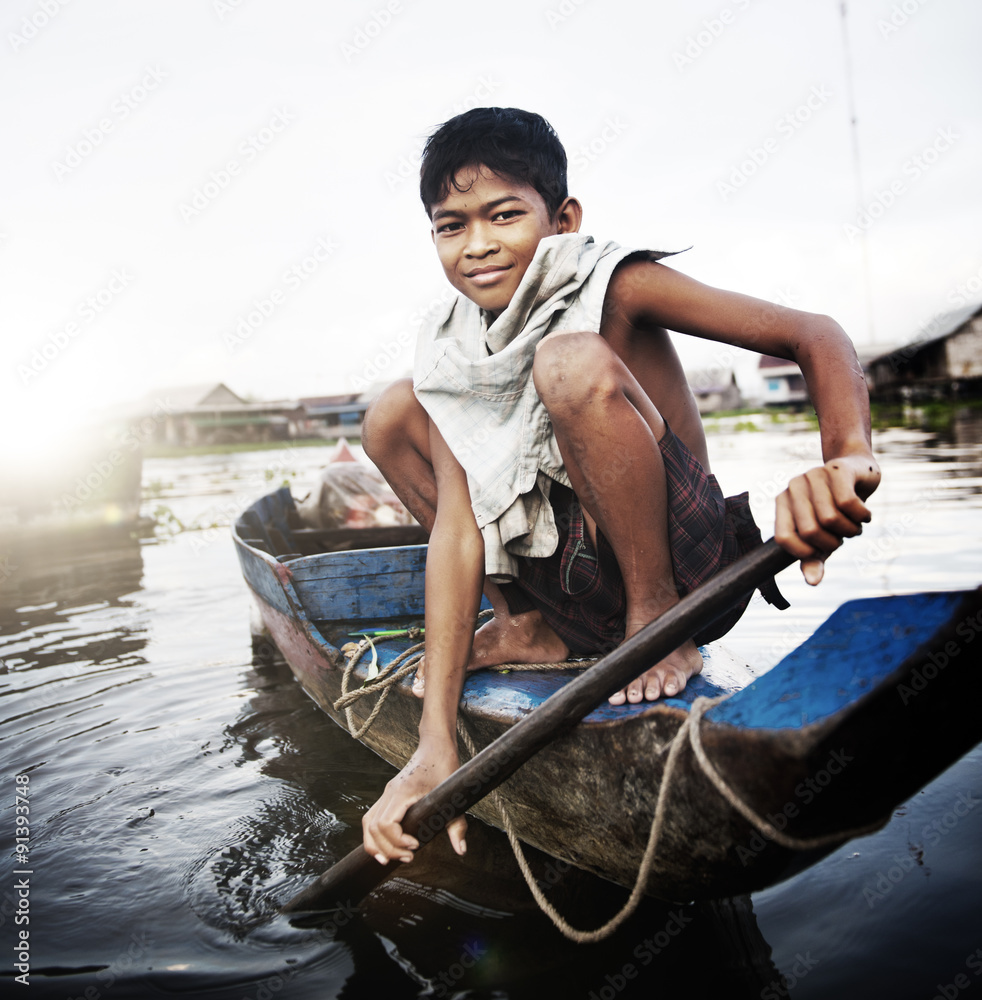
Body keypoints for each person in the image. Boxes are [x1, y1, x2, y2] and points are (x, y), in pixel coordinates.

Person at [360, 107, 880, 866]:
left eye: (504, 215)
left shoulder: (617, 281)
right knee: (389, 413)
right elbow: (457, 530)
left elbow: (815, 335)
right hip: (571, 582)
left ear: (562, 217)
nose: (478, 245)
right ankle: (528, 623)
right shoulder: (454, 349)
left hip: (685, 569)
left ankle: (652, 621)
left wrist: (846, 461)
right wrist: (433, 743)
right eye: (451, 226)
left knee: (568, 362)